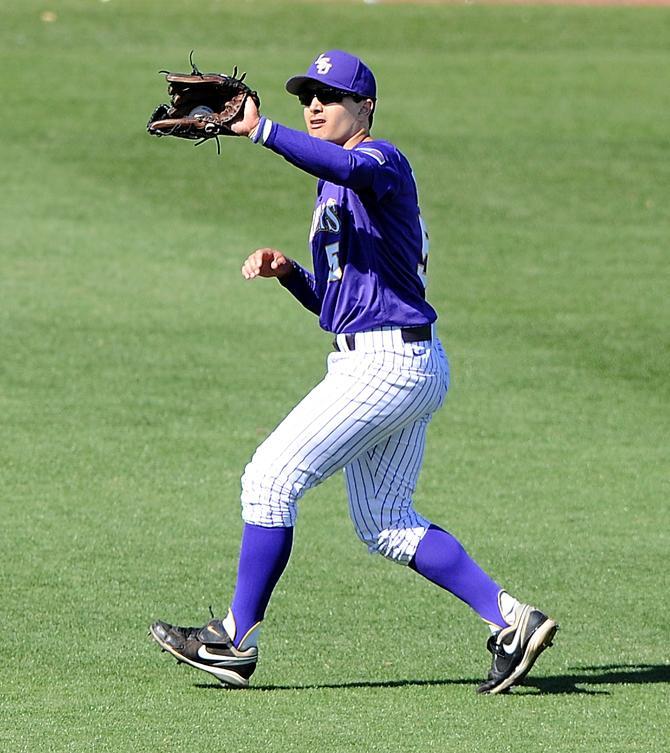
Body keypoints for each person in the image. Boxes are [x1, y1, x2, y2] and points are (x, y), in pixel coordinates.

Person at [149, 50, 557, 695]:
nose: (314, 106)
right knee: (387, 523)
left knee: (270, 480)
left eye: (330, 97)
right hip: (398, 357)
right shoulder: (337, 182)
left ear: (364, 107)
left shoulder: (379, 161)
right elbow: (344, 305)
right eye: (308, 96)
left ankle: (233, 637)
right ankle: (512, 619)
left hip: (386, 365)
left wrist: (259, 130)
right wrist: (291, 276)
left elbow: (344, 163)